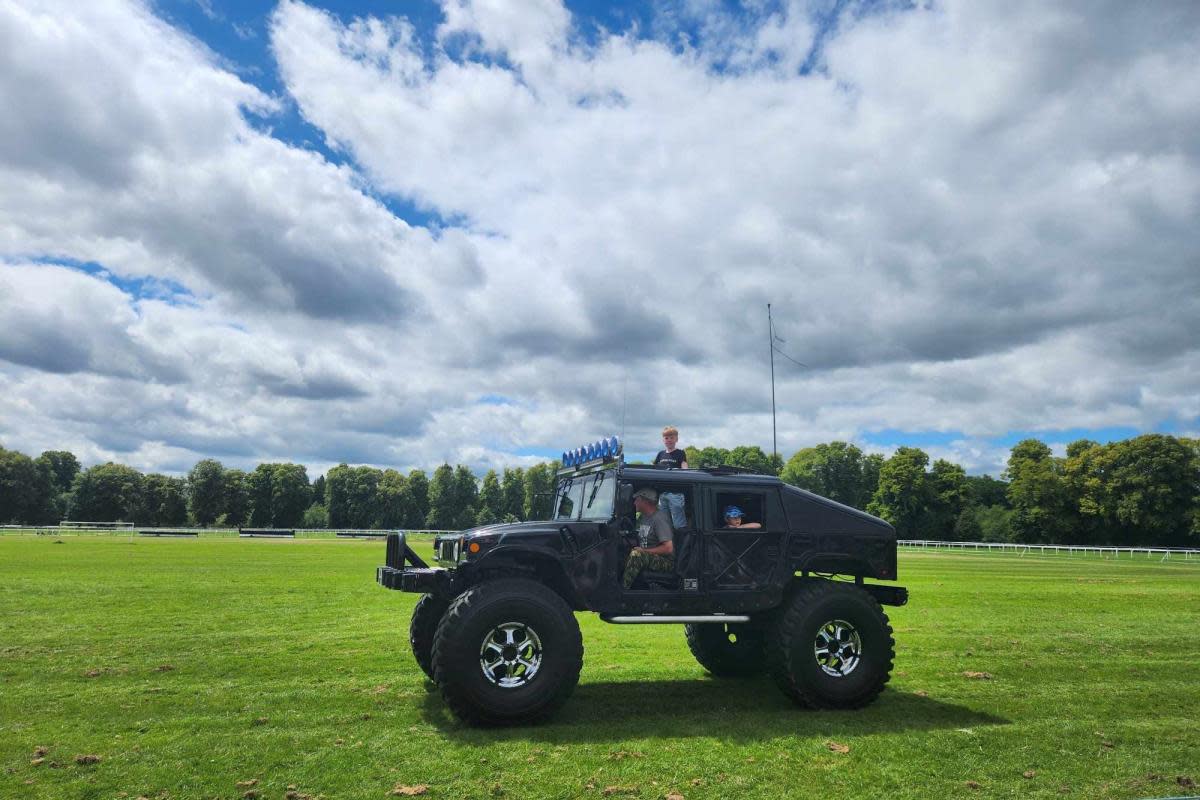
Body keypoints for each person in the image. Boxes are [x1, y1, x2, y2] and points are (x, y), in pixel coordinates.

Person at [623, 488, 675, 589]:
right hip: (650, 557)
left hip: (666, 562)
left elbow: (668, 548)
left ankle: (623, 590)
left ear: (645, 501)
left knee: (636, 555)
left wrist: (643, 551)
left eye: (636, 500)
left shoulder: (659, 519)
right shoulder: (644, 518)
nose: (634, 503)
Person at [655, 426, 689, 527]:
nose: (669, 440)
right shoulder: (660, 454)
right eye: (666, 438)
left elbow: (685, 467)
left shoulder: (680, 453)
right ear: (663, 440)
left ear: (676, 439)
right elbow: (653, 469)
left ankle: (682, 541)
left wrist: (686, 472)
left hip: (676, 493)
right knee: (664, 523)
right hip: (662, 493)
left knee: (678, 523)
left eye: (671, 437)